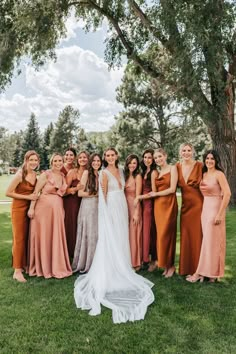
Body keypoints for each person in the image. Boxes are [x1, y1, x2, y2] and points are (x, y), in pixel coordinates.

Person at [74, 148, 154, 323]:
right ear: (105, 158)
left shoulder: (122, 171)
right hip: (110, 207)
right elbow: (102, 196)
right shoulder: (102, 173)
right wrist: (105, 216)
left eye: (113, 155)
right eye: (107, 156)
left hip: (122, 206)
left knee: (121, 237)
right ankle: (111, 270)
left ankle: (123, 265)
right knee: (111, 238)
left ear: (117, 156)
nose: (110, 158)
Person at [187, 150, 231, 283]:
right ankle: (211, 274)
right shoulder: (204, 174)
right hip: (205, 210)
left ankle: (199, 273)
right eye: (207, 158)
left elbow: (227, 194)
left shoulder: (219, 174)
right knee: (209, 243)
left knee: (211, 243)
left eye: (212, 159)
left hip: (215, 211)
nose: (209, 161)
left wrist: (220, 213)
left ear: (216, 160)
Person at [28, 153, 72, 279]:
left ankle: (55, 265)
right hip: (43, 211)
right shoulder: (45, 174)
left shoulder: (63, 176)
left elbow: (63, 193)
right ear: (51, 162)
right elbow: (36, 192)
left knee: (54, 236)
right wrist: (31, 208)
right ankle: (43, 266)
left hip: (56, 210)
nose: (58, 163)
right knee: (44, 237)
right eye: (55, 161)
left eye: (60, 161)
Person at [6, 151, 39, 283]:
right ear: (26, 160)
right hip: (18, 209)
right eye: (31, 160)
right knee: (19, 238)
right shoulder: (20, 175)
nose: (33, 162)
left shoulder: (35, 174)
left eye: (35, 160)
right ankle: (17, 271)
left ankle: (23, 265)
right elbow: (8, 193)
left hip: (29, 209)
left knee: (26, 238)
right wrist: (27, 197)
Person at [149, 148, 178, 278]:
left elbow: (172, 189)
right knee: (161, 236)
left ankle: (171, 266)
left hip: (169, 204)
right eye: (156, 158)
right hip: (158, 207)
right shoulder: (157, 172)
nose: (158, 159)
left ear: (165, 156)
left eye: (160, 156)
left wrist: (157, 194)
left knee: (168, 235)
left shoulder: (173, 168)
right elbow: (153, 191)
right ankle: (165, 265)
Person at [176, 143, 203, 276]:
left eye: (189, 150)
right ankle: (186, 268)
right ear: (180, 153)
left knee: (197, 237)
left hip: (198, 206)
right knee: (186, 236)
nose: (186, 153)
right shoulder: (177, 166)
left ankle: (198, 270)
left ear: (193, 152)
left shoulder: (200, 166)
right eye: (184, 150)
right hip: (185, 207)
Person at [72, 153, 102, 273]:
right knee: (88, 233)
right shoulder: (86, 173)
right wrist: (95, 194)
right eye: (94, 161)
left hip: (98, 208)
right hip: (88, 206)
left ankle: (96, 261)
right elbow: (80, 193)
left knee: (96, 234)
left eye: (98, 161)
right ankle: (85, 262)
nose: (96, 163)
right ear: (90, 162)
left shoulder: (100, 174)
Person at [64, 151, 89, 259]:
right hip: (72, 203)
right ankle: (71, 253)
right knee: (72, 226)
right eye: (80, 157)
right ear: (77, 159)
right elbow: (63, 191)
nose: (82, 159)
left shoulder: (90, 172)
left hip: (85, 203)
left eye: (85, 157)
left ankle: (82, 252)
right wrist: (75, 189)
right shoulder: (72, 172)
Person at [136, 149, 157, 272]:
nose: (147, 159)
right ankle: (145, 259)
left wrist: (140, 197)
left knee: (150, 232)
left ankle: (154, 260)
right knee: (143, 232)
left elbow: (154, 192)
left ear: (153, 159)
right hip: (142, 205)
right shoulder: (144, 171)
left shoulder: (153, 172)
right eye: (145, 157)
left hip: (149, 204)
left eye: (149, 157)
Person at [124, 154, 142, 271]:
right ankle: (126, 260)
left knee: (134, 235)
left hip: (134, 207)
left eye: (134, 163)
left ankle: (135, 263)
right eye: (130, 163)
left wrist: (136, 213)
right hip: (124, 208)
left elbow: (138, 196)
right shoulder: (124, 176)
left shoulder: (138, 177)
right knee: (126, 235)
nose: (132, 165)